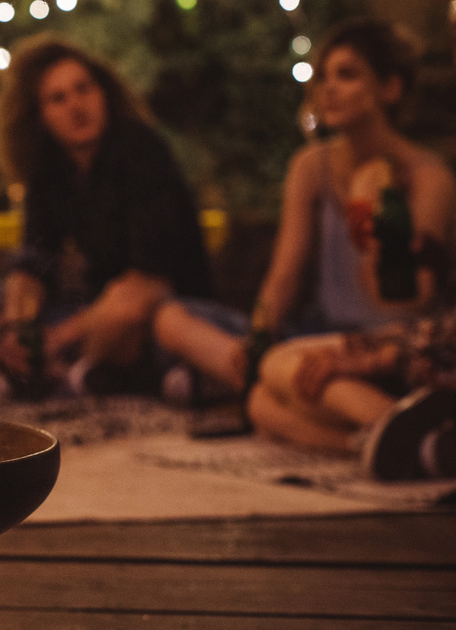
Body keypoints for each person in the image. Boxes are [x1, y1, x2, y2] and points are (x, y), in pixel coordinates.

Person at [154, 18, 455, 401]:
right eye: (322, 77)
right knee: (170, 318)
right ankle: (254, 375)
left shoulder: (429, 176)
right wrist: (259, 340)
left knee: (277, 384)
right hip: (318, 331)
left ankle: (245, 385)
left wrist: (368, 209)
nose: (327, 88)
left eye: (346, 75)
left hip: (385, 345)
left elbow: (409, 302)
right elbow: (284, 278)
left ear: (389, 87)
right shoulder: (312, 165)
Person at [0, 36, 213, 395]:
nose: (76, 106)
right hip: (100, 308)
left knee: (124, 310)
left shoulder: (139, 148)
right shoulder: (51, 170)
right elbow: (34, 258)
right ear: (40, 116)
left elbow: (149, 280)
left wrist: (58, 338)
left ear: (104, 93)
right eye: (58, 99)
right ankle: (57, 370)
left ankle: (72, 376)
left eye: (84, 89)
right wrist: (19, 326)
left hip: (170, 306)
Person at [249, 311, 456, 480]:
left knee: (278, 363)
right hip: (418, 351)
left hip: (431, 363)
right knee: (261, 404)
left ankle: (401, 434)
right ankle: (384, 441)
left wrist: (372, 359)